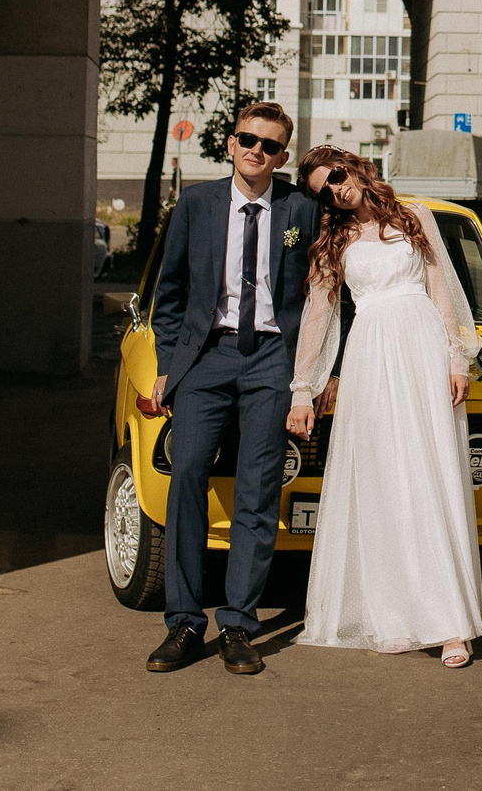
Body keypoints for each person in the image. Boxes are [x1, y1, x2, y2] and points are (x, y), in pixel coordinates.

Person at [140, 100, 320, 675]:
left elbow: (326, 290)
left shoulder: (301, 208)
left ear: (282, 156)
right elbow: (169, 294)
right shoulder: (197, 203)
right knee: (187, 471)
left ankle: (238, 625)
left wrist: (314, 375)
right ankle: (185, 624)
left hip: (272, 358)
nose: (256, 151)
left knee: (257, 490)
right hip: (207, 358)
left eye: (269, 146)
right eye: (248, 139)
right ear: (231, 143)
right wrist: (172, 362)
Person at [287, 146, 482, 666]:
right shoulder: (336, 240)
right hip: (371, 356)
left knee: (429, 477)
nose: (334, 190)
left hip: (422, 348)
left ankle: (449, 626)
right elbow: (317, 313)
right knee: (383, 482)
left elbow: (441, 288)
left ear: (353, 166)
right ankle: (393, 616)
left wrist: (456, 357)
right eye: (322, 191)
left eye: (335, 176)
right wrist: (302, 387)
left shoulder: (413, 217)